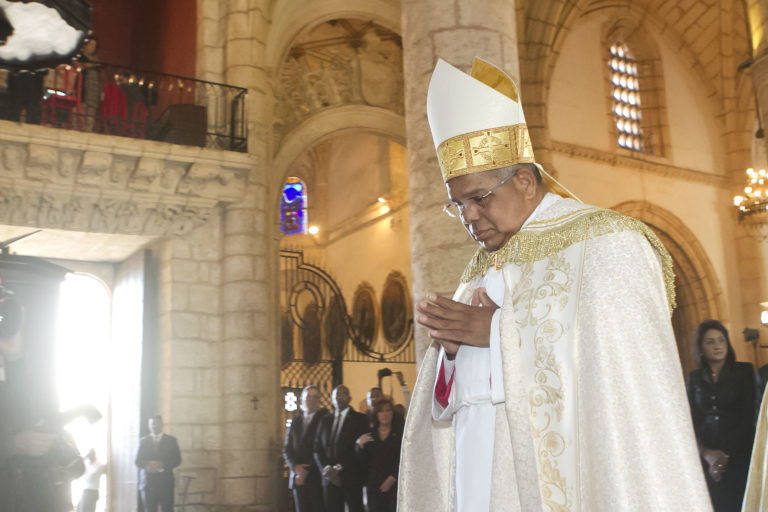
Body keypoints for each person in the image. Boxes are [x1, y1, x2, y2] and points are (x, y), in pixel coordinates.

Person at [398, 57, 711, 511]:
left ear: (524, 181)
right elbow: (447, 408)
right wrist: (452, 353)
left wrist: (494, 333)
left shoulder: (608, 243)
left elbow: (619, 378)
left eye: (478, 198)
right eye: (457, 204)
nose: (467, 217)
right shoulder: (477, 272)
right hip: (479, 473)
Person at [686, 320, 756, 511]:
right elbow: (691, 420)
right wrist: (707, 453)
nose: (717, 346)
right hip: (707, 456)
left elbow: (749, 416)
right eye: (710, 342)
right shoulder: (694, 378)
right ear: (700, 348)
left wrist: (724, 455)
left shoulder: (744, 371)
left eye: (721, 340)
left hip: (739, 453)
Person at [313, 385, 367, 512]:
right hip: (329, 478)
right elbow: (317, 448)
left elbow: (359, 449)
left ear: (349, 398)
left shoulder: (360, 419)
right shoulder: (325, 420)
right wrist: (326, 468)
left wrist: (338, 468)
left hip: (350, 477)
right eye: (335, 395)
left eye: (342, 394)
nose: (338, 398)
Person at [283, 385, 329, 512]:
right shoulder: (295, 421)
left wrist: (306, 470)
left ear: (319, 400)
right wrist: (295, 467)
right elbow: (287, 449)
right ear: (302, 399)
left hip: (316, 477)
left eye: (315, 397)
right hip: (298, 478)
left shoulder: (324, 419)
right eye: (308, 396)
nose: (312, 399)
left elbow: (321, 448)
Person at [355, 397, 400, 512]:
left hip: (394, 485)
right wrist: (359, 446)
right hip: (374, 486)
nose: (385, 414)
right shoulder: (370, 435)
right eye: (381, 411)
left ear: (392, 413)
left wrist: (392, 478)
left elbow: (403, 460)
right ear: (376, 414)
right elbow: (363, 462)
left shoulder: (399, 434)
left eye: (388, 410)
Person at [135, 415, 182, 512]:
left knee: (167, 509)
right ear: (149, 425)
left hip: (165, 483)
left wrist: (163, 465)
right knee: (149, 509)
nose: (154, 426)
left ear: (161, 425)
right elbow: (138, 461)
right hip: (148, 483)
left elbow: (177, 460)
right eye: (152, 424)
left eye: (156, 423)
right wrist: (148, 465)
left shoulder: (171, 440)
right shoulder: (143, 441)